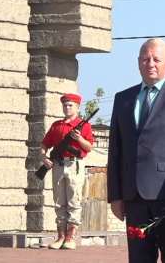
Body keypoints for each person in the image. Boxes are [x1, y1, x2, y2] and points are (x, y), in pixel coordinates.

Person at [107, 38, 165, 263]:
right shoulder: (123, 99)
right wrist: (116, 196)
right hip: (134, 198)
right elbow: (115, 151)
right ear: (138, 63)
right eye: (145, 59)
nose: (151, 63)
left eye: (156, 59)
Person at [40, 93, 94, 250]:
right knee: (59, 201)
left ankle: (70, 237)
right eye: (65, 105)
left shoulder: (84, 126)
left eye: (70, 105)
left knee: (73, 200)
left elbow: (89, 147)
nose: (67, 107)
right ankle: (60, 237)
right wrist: (43, 158)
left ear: (78, 108)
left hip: (74, 165)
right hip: (57, 164)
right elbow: (44, 144)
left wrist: (78, 138)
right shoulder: (57, 125)